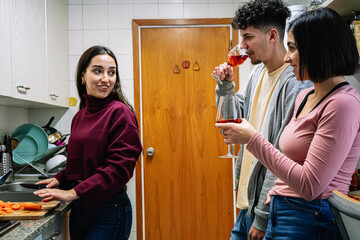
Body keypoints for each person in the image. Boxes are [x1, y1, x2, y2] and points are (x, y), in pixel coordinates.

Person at [216, 7, 360, 239]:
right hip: (279, 207)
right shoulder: (306, 96)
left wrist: (252, 139)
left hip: (308, 216)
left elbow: (310, 184)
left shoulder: (342, 103)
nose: (286, 56)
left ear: (317, 49)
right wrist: (275, 192)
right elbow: (287, 157)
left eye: (292, 48)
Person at [213, 0, 312, 239]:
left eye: (248, 37)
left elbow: (282, 152)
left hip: (271, 208)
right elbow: (233, 121)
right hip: (249, 202)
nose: (242, 45)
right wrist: (226, 87)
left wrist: (263, 216)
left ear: (272, 35)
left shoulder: (296, 82)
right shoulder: (257, 73)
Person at [34, 46, 142, 240]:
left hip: (110, 210)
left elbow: (118, 169)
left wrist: (73, 192)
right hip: (81, 208)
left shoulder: (120, 113)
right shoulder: (80, 116)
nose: (105, 79)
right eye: (97, 71)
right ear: (83, 76)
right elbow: (80, 162)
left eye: (111, 72)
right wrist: (61, 178)